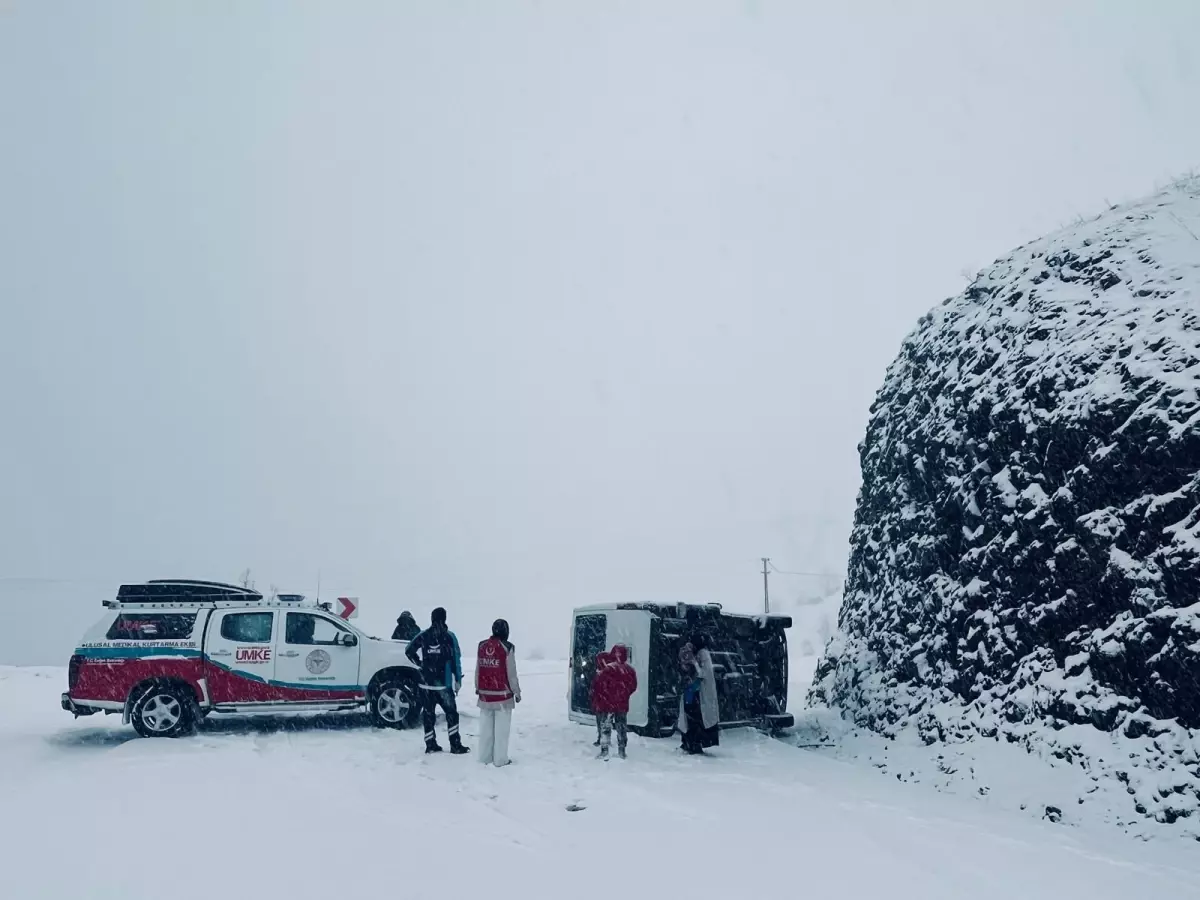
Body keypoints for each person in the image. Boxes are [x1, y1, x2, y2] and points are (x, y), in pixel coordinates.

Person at [405, 607, 468, 754]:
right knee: (451, 714)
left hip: (426, 684)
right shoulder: (449, 636)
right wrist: (458, 679)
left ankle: (430, 744)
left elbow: (408, 650)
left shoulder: (424, 635)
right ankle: (455, 745)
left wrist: (420, 664)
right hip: (443, 685)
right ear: (445, 619)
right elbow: (455, 660)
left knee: (428, 714)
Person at [475, 618, 521, 767]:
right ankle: (500, 760)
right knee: (501, 732)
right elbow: (511, 673)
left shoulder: (481, 646)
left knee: (486, 731)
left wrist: (478, 687)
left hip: (485, 696)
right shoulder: (507, 647)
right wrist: (517, 691)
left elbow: (478, 669)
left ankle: (484, 757)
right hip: (502, 696)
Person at [591, 644, 637, 759]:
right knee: (621, 727)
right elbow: (633, 686)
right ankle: (622, 751)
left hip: (608, 704)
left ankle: (604, 751)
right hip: (622, 704)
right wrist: (624, 695)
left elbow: (599, 685)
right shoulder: (630, 669)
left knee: (606, 727)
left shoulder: (608, 669)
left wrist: (605, 697)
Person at [678, 633, 719, 754]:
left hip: (698, 693)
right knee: (691, 717)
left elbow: (704, 673)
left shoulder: (702, 654)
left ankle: (694, 743)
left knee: (695, 718)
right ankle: (689, 742)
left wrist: (694, 663)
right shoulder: (696, 651)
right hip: (693, 691)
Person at [591, 649, 611, 746]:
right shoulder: (609, 673)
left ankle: (603, 740)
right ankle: (604, 739)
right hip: (604, 703)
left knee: (602, 722)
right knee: (605, 722)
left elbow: (596, 688)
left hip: (601, 703)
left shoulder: (602, 674)